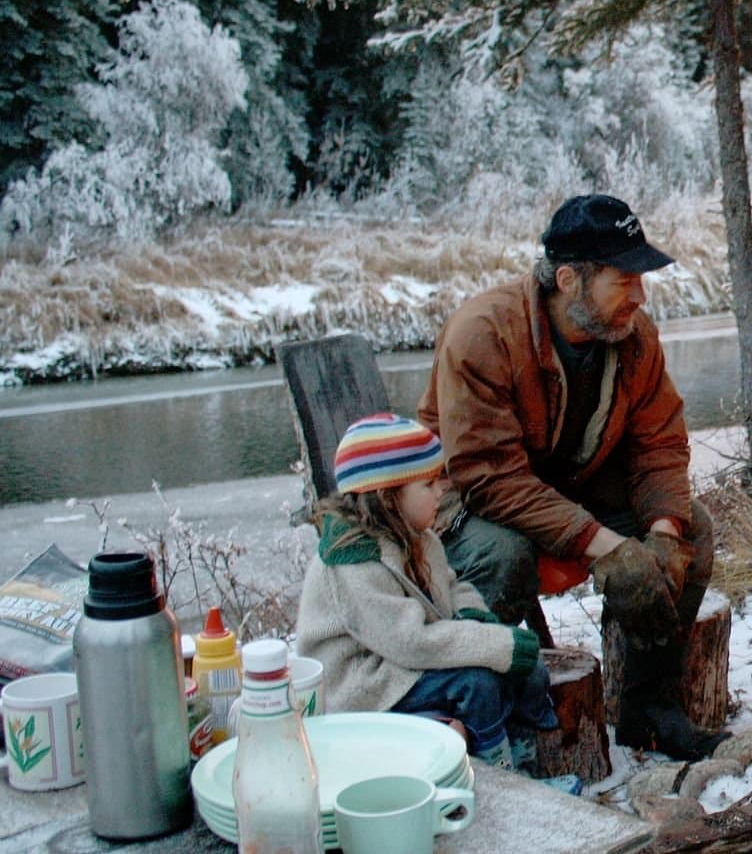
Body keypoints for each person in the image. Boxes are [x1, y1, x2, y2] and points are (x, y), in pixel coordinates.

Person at [419, 193, 724, 760]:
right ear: (568, 279)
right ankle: (496, 725)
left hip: (565, 489)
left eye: (641, 279)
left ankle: (648, 707)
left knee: (692, 531)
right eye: (624, 279)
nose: (639, 294)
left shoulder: (634, 337)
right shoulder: (482, 334)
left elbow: (659, 444)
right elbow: (490, 477)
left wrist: (659, 536)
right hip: (468, 505)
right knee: (502, 557)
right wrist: (606, 547)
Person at [295, 413, 562, 777]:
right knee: (477, 684)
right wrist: (490, 646)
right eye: (429, 483)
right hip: (364, 684)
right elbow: (410, 641)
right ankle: (502, 777)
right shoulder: (353, 563)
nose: (441, 491)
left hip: (397, 660)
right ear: (388, 498)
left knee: (520, 671)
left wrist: (475, 618)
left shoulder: (420, 538)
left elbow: (453, 587)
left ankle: (526, 756)